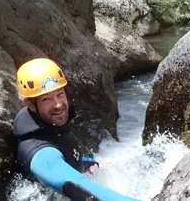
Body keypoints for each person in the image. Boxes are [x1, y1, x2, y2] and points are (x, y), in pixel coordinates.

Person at [12, 58, 140, 201]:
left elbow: (65, 155)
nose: (58, 104)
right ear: (30, 104)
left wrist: (87, 164)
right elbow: (77, 187)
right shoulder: (39, 153)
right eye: (46, 99)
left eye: (60, 94)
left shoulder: (48, 125)